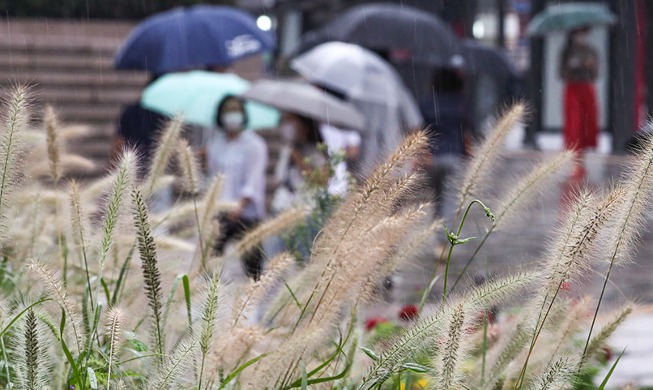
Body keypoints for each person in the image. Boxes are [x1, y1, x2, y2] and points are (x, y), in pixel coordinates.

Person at [204, 95, 268, 279]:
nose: (232, 116)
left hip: (247, 212)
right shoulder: (215, 144)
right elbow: (213, 176)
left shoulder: (255, 144)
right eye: (228, 112)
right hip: (221, 209)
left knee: (252, 260)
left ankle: (253, 299)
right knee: (212, 257)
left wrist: (240, 204)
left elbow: (254, 179)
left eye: (236, 112)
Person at [559, 27, 599, 177]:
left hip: (587, 88)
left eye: (584, 33)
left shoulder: (591, 51)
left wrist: (590, 65)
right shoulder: (567, 52)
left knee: (587, 123)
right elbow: (561, 72)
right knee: (574, 123)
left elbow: (596, 73)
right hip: (572, 89)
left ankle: (583, 156)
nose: (581, 36)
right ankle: (575, 159)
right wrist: (572, 66)